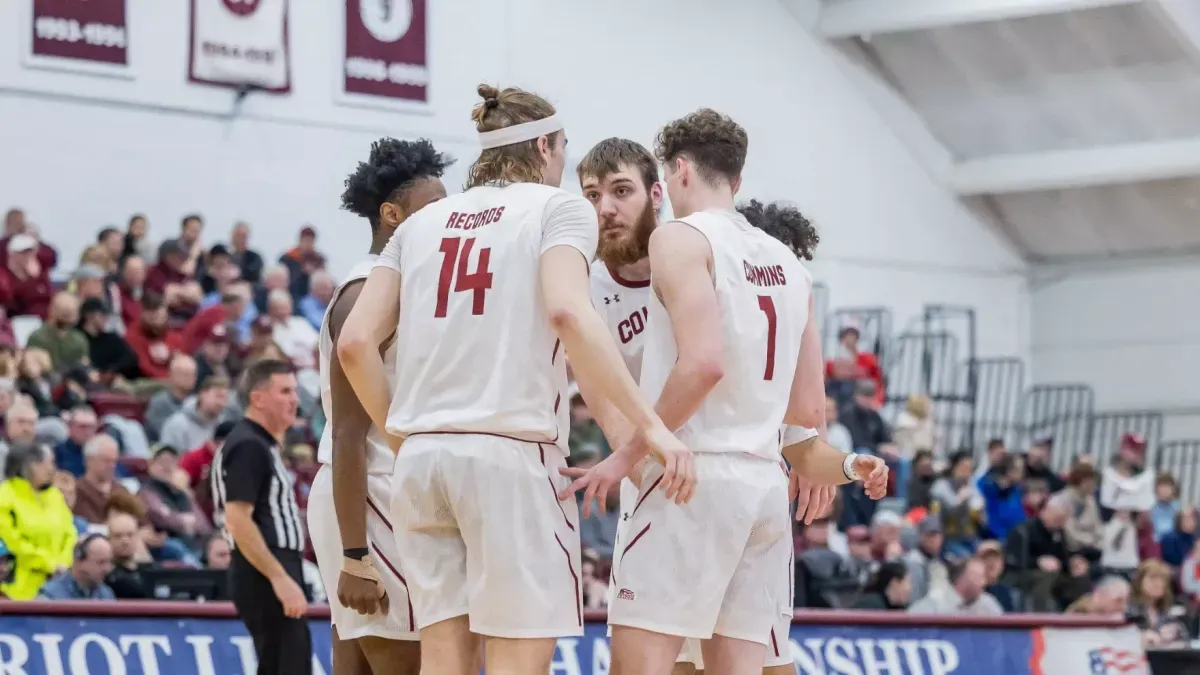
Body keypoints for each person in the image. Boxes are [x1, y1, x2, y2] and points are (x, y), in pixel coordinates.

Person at [338, 84, 691, 675]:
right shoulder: (557, 209)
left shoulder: (419, 226)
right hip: (510, 457)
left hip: (423, 463)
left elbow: (354, 345)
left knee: (444, 659)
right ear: (547, 146)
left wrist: (400, 434)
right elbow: (567, 312)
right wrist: (653, 427)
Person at [563, 111, 885, 675]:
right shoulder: (787, 263)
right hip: (762, 484)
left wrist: (627, 456)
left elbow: (703, 364)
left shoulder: (678, 240)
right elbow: (808, 413)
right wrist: (842, 463)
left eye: (619, 190)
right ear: (736, 179)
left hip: (689, 475)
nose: (605, 207)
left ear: (674, 174)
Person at [307, 137, 451, 675]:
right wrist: (354, 555)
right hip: (366, 500)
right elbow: (345, 433)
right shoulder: (362, 292)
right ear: (393, 215)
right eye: (434, 207)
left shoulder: (400, 287)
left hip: (379, 495)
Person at [213, 359, 310, 675]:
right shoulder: (249, 446)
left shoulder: (258, 444)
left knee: (278, 665)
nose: (294, 399)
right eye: (285, 391)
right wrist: (279, 577)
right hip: (264, 568)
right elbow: (238, 519)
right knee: (290, 665)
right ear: (258, 398)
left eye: (294, 391)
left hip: (267, 566)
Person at [0, 442, 76, 599]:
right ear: (28, 466)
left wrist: (64, 564)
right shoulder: (5, 498)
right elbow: (11, 543)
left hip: (60, 585)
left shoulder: (55, 496)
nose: (51, 469)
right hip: (16, 592)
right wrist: (49, 565)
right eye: (45, 463)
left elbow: (70, 533)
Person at [37, 532, 115, 600]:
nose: (107, 569)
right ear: (79, 560)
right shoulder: (50, 597)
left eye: (109, 562)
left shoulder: (106, 595)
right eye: (100, 562)